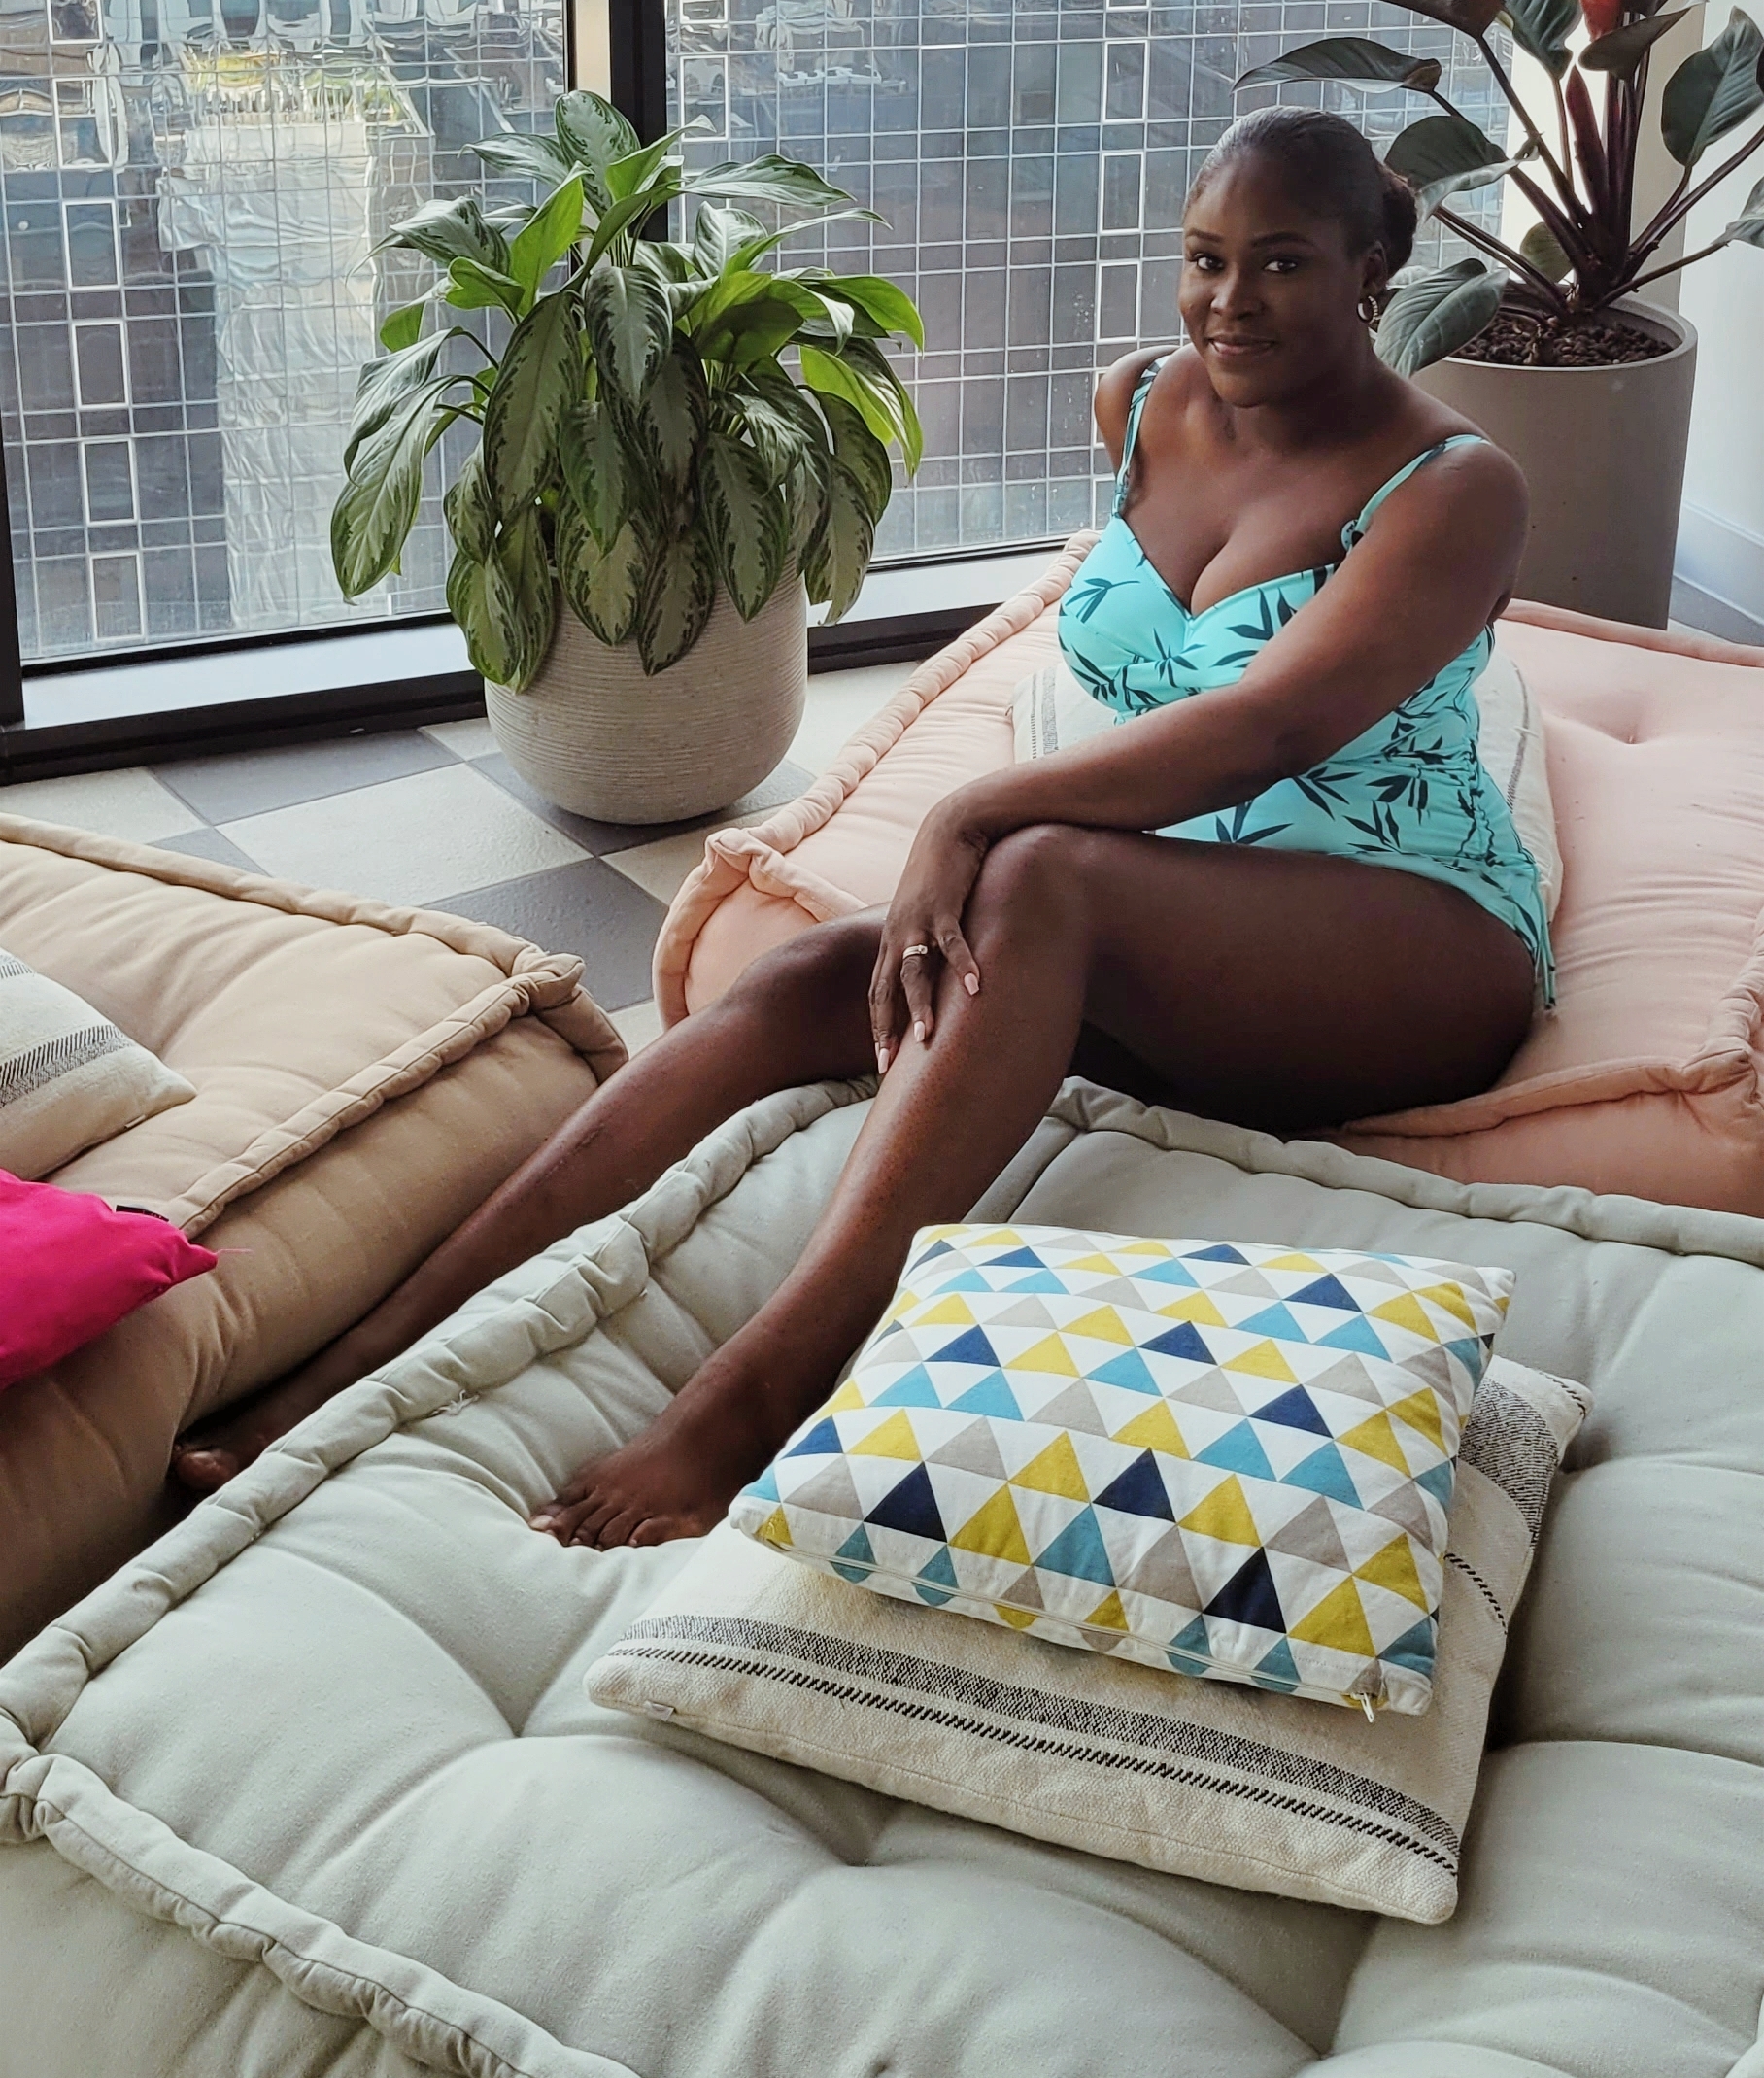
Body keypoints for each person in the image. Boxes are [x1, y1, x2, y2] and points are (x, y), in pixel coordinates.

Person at [174, 109, 1547, 1547]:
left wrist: (974, 806)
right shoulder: (1143, 401)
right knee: (808, 981)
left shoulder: (1456, 487)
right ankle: (353, 1364)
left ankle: (751, 1397)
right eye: (1204, 258)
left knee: (1040, 876)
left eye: (1282, 262)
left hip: (1403, 941)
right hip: (1177, 934)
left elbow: (1270, 729)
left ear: (1371, 272)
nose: (1229, 300)